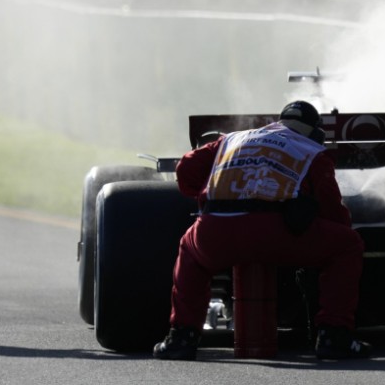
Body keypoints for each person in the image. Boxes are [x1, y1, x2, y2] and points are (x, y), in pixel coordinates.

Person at [153, 101, 369, 360]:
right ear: (315, 132)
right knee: (348, 244)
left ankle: (182, 337)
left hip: (216, 229)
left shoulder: (232, 139)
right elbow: (333, 212)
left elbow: (184, 169)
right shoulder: (311, 150)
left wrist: (205, 193)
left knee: (189, 249)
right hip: (275, 232)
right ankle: (334, 335)